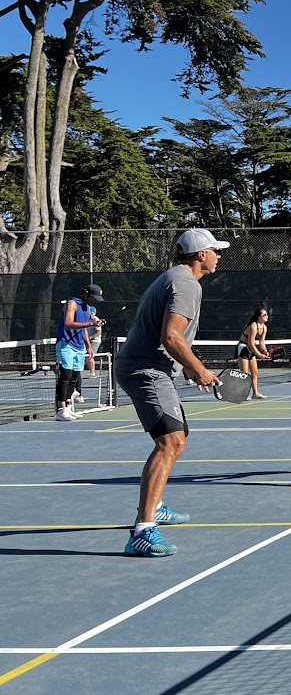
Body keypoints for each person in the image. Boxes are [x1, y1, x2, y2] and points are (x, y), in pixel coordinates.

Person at [115, 228, 227, 557]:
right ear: (200, 255)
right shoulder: (185, 283)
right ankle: (143, 531)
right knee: (171, 442)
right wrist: (201, 368)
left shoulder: (175, 277)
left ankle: (156, 505)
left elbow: (169, 339)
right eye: (215, 251)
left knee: (179, 436)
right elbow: (171, 336)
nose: (219, 256)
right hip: (146, 370)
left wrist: (189, 368)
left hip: (151, 368)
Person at [54, 284, 103, 421]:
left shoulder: (87, 308)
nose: (94, 301)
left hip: (79, 346)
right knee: (66, 375)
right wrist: (92, 324)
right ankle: (60, 409)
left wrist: (88, 345)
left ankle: (68, 407)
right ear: (86, 294)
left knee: (75, 377)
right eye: (93, 298)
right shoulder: (72, 303)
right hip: (66, 343)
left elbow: (83, 330)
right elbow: (68, 323)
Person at [235, 307, 271, 400]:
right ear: (259, 316)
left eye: (267, 314)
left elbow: (261, 342)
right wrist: (259, 354)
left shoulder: (264, 327)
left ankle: (255, 393)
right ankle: (243, 394)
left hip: (251, 349)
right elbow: (251, 343)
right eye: (265, 315)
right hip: (243, 348)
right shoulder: (253, 326)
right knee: (245, 373)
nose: (267, 316)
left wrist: (264, 351)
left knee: (255, 373)